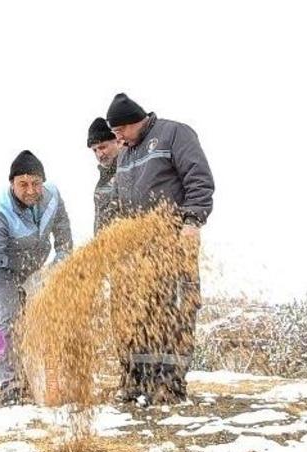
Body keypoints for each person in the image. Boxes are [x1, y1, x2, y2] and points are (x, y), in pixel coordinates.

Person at [105, 92, 215, 404]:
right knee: (141, 313)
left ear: (132, 122)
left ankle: (169, 387)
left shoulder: (174, 133)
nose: (119, 139)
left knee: (175, 312)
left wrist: (192, 220)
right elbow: (119, 200)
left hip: (174, 241)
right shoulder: (125, 154)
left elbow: (199, 178)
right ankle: (139, 384)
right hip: (138, 249)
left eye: (120, 132)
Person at [0, 150, 73, 406]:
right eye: (23, 184)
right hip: (6, 273)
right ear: (12, 184)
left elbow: (64, 240)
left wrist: (57, 271)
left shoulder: (53, 197)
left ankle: (48, 382)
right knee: (11, 325)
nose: (30, 190)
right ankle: (12, 386)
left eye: (36, 183)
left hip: (37, 271)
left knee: (46, 325)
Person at [87, 117, 122, 233]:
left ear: (118, 141)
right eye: (95, 150)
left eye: (102, 147)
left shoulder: (132, 170)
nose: (99, 154)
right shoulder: (102, 182)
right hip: (110, 247)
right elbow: (99, 223)